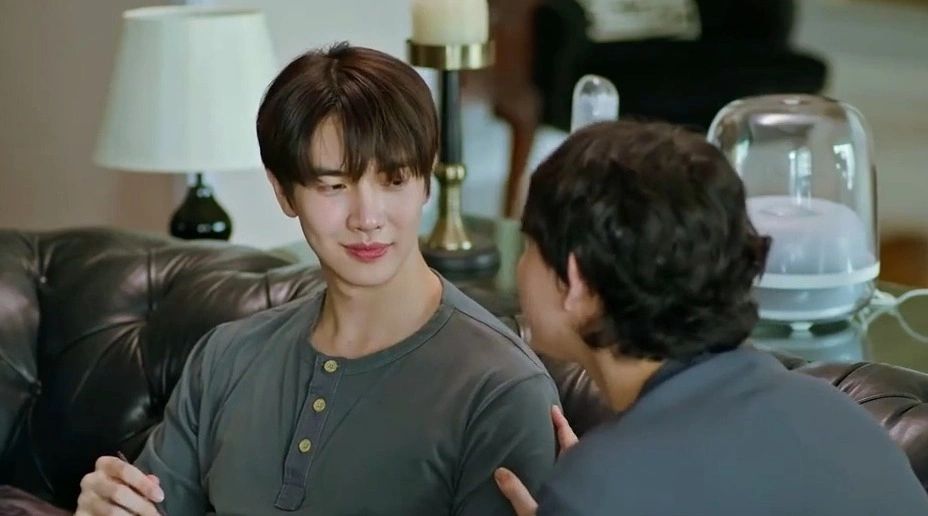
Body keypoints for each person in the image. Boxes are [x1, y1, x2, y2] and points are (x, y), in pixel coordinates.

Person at [75, 42, 560, 516]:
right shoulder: (225, 358)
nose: (368, 218)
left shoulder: (502, 390)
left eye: (394, 180)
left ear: (426, 182)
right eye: (334, 185)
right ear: (283, 192)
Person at [492, 120, 928, 515]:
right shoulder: (842, 420)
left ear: (577, 282)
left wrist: (590, 492)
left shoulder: (603, 486)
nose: (521, 265)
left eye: (529, 245)